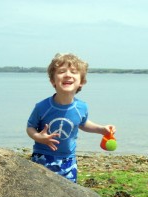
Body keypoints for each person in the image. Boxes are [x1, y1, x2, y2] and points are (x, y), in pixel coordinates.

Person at [26, 53, 116, 183]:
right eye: (61, 71)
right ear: (53, 80)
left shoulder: (81, 107)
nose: (68, 75)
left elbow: (83, 123)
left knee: (69, 196)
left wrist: (102, 129)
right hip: (43, 157)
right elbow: (30, 127)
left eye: (73, 72)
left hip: (68, 160)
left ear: (82, 82)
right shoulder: (42, 107)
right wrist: (38, 137)